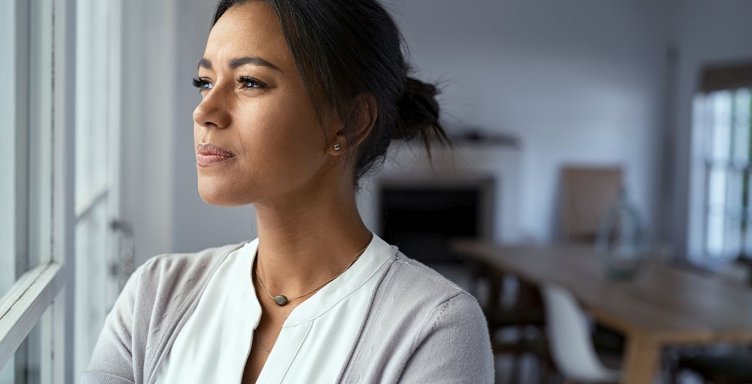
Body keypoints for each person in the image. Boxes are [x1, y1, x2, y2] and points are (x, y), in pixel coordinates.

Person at [82, 0, 494, 382]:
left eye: (249, 82)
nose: (204, 111)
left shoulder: (434, 328)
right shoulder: (155, 297)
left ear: (349, 122)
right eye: (205, 81)